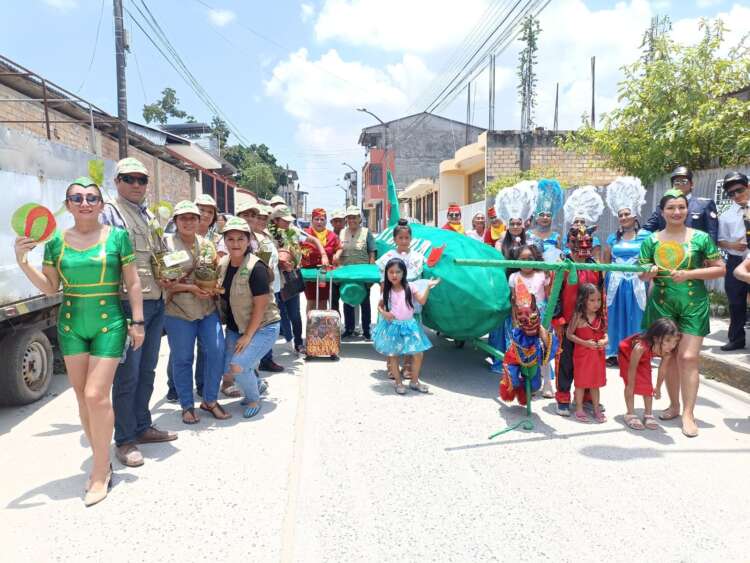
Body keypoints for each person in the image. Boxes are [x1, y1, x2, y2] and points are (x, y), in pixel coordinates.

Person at [15, 177, 144, 506]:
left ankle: (100, 471)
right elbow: (50, 288)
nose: (84, 202)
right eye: (76, 197)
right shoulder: (56, 242)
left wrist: (138, 322)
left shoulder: (117, 237)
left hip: (109, 323)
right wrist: (22, 262)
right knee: (83, 400)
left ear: (101, 204)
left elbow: (132, 283)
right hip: (71, 324)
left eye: (91, 197)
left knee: (95, 395)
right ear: (68, 204)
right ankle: (104, 460)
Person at [100, 157, 176, 469]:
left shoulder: (146, 214)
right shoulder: (109, 212)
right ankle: (125, 438)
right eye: (128, 178)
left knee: (147, 370)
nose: (136, 185)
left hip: (155, 301)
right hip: (127, 305)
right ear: (116, 181)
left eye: (141, 180)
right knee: (127, 375)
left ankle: (143, 426)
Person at [639, 189, 725, 437]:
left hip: (693, 303)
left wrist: (690, 274)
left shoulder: (700, 238)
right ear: (662, 212)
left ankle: (689, 412)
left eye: (681, 207)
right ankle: (674, 405)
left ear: (687, 210)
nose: (677, 212)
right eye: (671, 208)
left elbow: (720, 269)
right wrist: (649, 272)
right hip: (662, 302)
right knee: (669, 356)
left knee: (687, 357)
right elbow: (641, 273)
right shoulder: (652, 240)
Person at [163, 201, 228, 424]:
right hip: (179, 310)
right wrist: (190, 287)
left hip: (207, 308)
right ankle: (187, 405)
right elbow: (164, 282)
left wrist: (213, 285)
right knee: (182, 358)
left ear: (199, 221)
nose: (189, 222)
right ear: (175, 221)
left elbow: (217, 271)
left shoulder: (207, 245)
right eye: (183, 218)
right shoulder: (167, 244)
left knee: (217, 351)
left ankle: (210, 399)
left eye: (193, 218)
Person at [217, 217, 281, 418]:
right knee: (228, 366)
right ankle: (258, 384)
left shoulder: (257, 268)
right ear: (224, 241)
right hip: (237, 328)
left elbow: (261, 307)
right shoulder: (223, 263)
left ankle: (253, 398)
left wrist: (247, 337)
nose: (235, 244)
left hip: (263, 327)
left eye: (240, 239)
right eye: (230, 239)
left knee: (238, 365)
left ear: (249, 241)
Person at [554, 186, 605, 416]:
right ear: (570, 242)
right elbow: (554, 294)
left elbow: (600, 294)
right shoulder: (562, 265)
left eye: (586, 243)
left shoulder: (596, 267)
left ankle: (584, 398)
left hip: (590, 323)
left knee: (588, 361)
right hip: (568, 321)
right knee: (566, 361)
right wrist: (558, 319)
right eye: (577, 243)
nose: (582, 249)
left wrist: (601, 321)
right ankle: (563, 397)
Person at [488, 181, 537, 372]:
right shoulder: (500, 243)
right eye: (512, 223)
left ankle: (525, 360)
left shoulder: (530, 242)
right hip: (507, 287)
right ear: (507, 225)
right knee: (505, 324)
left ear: (523, 224)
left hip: (527, 288)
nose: (515, 226)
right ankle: (504, 359)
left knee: (526, 322)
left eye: (518, 223)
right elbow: (500, 264)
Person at [373, 258, 439, 394]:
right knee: (394, 355)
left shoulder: (411, 287)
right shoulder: (387, 290)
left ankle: (414, 381)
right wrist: (384, 313)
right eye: (391, 272)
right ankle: (398, 382)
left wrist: (428, 286)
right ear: (386, 274)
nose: (394, 275)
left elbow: (422, 301)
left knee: (418, 353)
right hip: (393, 326)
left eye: (398, 272)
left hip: (409, 325)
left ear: (404, 273)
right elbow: (379, 306)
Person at [603, 177, 649, 365]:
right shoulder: (613, 238)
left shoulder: (646, 236)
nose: (623, 217)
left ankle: (636, 351)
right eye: (620, 215)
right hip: (615, 282)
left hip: (637, 281)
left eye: (627, 214)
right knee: (615, 315)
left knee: (636, 314)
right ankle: (614, 351)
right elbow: (605, 262)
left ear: (635, 215)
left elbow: (650, 259)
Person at [271, 205, 328, 353]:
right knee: (281, 313)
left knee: (294, 313)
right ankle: (288, 339)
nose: (288, 223)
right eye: (284, 220)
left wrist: (323, 254)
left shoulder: (294, 231)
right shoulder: (268, 235)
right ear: (275, 220)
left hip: (292, 277)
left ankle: (298, 342)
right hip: (276, 279)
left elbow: (313, 240)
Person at [376, 219, 425, 380]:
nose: (404, 241)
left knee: (410, 335)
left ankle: (408, 365)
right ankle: (391, 365)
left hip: (411, 303)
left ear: (411, 239)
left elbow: (420, 279)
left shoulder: (418, 257)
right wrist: (385, 305)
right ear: (394, 239)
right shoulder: (388, 257)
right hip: (393, 302)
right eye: (400, 238)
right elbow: (383, 282)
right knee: (392, 336)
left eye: (406, 238)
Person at [618, 318, 680, 431]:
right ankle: (630, 414)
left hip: (644, 358)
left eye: (675, 341)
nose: (672, 345)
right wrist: (630, 384)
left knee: (647, 385)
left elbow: (662, 370)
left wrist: (658, 387)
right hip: (627, 355)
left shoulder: (667, 351)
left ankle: (648, 414)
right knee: (630, 385)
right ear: (656, 338)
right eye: (668, 340)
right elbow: (632, 369)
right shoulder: (640, 347)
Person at [508, 244, 553, 397]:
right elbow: (514, 301)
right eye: (523, 259)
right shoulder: (514, 277)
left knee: (544, 348)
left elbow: (548, 296)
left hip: (541, 316)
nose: (527, 262)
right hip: (522, 319)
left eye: (530, 258)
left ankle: (547, 382)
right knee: (526, 350)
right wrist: (515, 321)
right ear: (517, 260)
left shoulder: (542, 274)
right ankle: (529, 383)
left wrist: (548, 318)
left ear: (536, 259)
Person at [717, 172, 750, 351]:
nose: (736, 196)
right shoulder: (726, 215)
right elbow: (719, 240)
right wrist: (732, 245)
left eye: (739, 190)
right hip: (736, 260)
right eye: (731, 193)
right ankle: (736, 339)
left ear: (748, 187)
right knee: (735, 302)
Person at [643, 165, 719, 242]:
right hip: (668, 250)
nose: (680, 184)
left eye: (684, 181)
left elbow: (712, 234)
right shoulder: (663, 207)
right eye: (676, 182)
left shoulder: (704, 205)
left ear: (691, 184)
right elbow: (647, 229)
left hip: (695, 251)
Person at [566, 283, 608, 424]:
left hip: (597, 356)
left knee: (595, 384)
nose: (596, 304)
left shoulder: (600, 317)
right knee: (581, 383)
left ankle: (596, 409)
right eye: (592, 300)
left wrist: (605, 340)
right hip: (583, 356)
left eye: (598, 300)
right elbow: (569, 334)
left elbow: (606, 334)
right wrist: (585, 343)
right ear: (583, 300)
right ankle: (579, 408)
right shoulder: (578, 316)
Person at [333, 206, 376, 339]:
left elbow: (372, 252)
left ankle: (367, 329)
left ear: (359, 219)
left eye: (354, 217)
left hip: (362, 274)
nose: (352, 220)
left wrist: (370, 274)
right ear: (346, 219)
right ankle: (349, 329)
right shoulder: (341, 233)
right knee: (347, 300)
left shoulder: (366, 232)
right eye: (349, 217)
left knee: (365, 301)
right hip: (346, 274)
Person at [301, 208, 340, 313]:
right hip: (309, 274)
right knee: (311, 300)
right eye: (316, 219)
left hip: (325, 273)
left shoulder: (332, 235)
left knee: (323, 300)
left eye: (322, 219)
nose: (319, 222)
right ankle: (310, 327)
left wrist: (337, 255)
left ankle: (321, 327)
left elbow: (339, 248)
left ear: (326, 221)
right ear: (312, 220)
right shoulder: (305, 234)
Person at [562, 186, 604, 261]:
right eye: (576, 221)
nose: (579, 224)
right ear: (572, 224)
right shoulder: (567, 238)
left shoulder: (594, 240)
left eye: (582, 222)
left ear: (586, 224)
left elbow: (597, 259)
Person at [528, 178, 563, 256]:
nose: (545, 217)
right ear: (536, 217)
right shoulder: (527, 235)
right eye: (542, 215)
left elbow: (560, 258)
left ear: (552, 218)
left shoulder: (556, 237)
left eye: (548, 215)